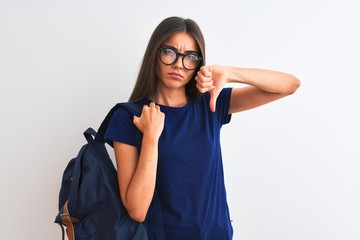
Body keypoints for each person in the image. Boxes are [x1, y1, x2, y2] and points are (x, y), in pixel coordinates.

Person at [105, 16, 300, 240]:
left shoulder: (210, 104)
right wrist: (150, 137)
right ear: (154, 54)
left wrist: (228, 73)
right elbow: (137, 211)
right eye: (169, 52)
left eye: (190, 57)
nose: (179, 64)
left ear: (199, 64)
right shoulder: (128, 116)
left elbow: (289, 85)